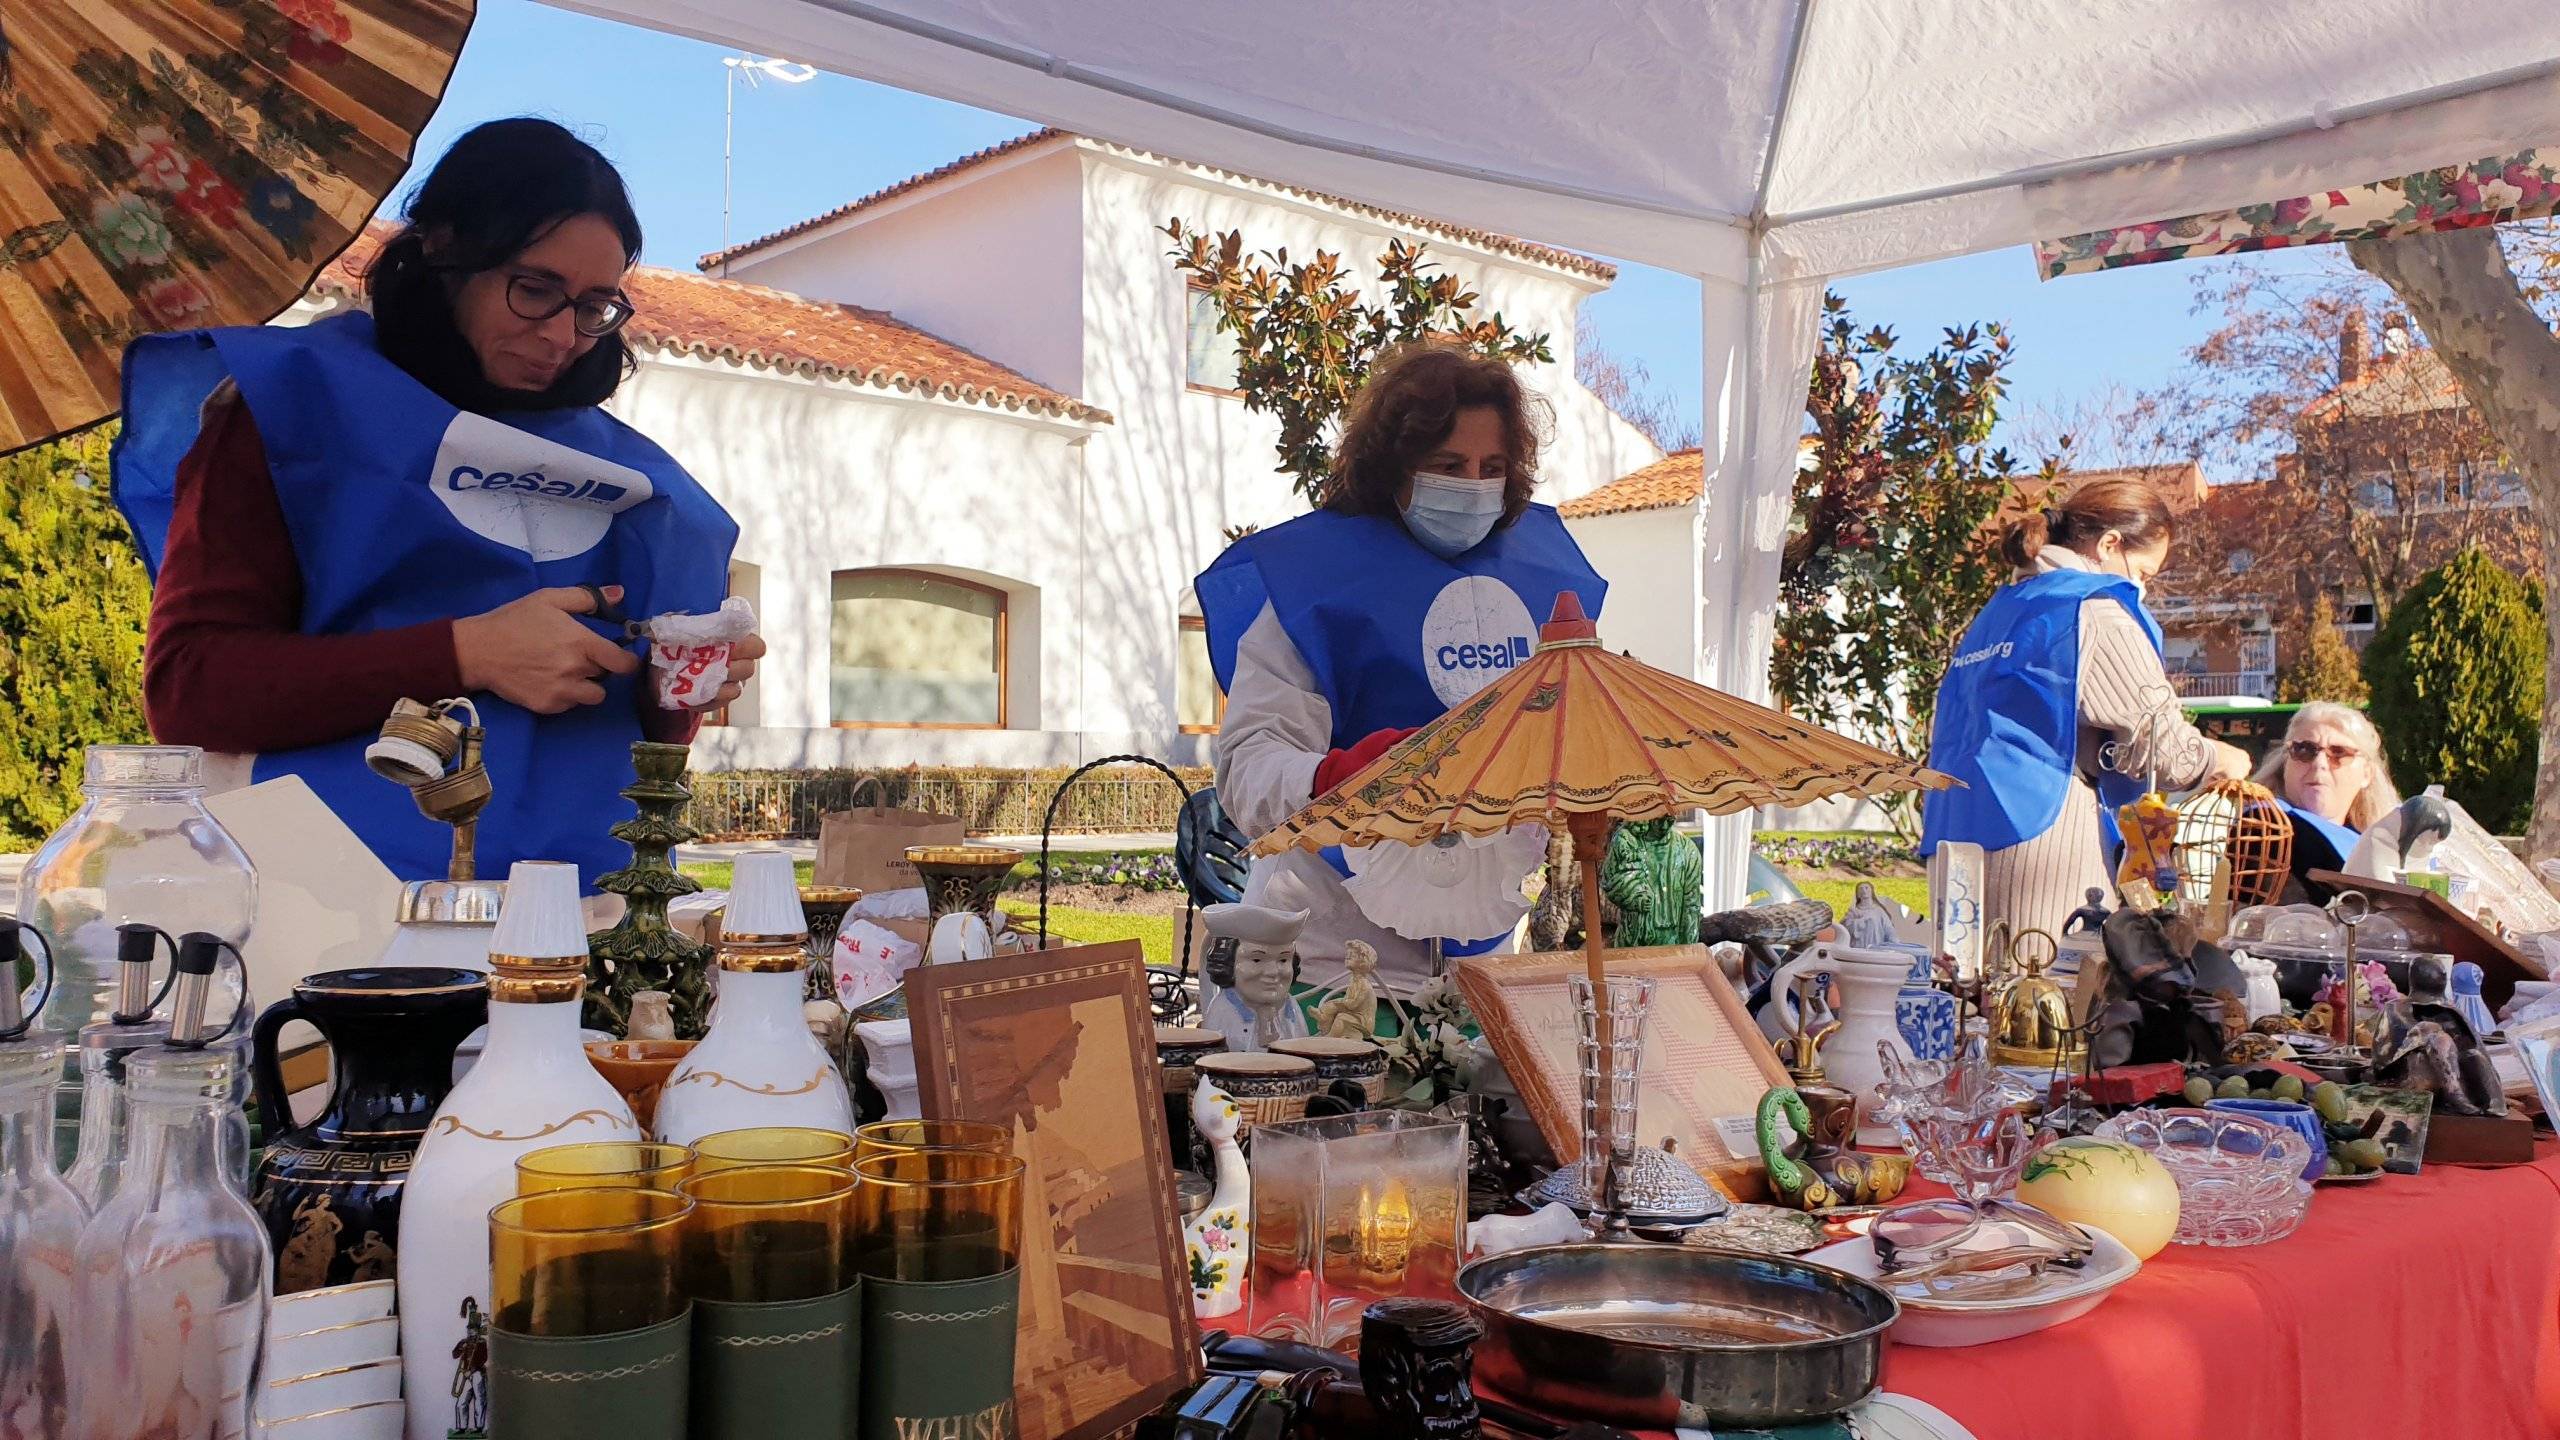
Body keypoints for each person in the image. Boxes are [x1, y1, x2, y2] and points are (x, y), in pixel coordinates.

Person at [113, 119, 758, 886]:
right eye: (534, 288)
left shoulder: (627, 473)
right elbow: (191, 689)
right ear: (444, 252)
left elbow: (644, 731)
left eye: (595, 306)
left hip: (582, 909)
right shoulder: (294, 411)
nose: (562, 335)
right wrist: (467, 653)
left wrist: (675, 689)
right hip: (334, 920)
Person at [1197, 343, 1607, 991]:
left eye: (1491, 467)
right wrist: (1339, 775)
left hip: (1484, 943)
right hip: (1328, 942)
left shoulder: (1538, 589)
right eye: (1449, 464)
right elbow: (1247, 772)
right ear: (1396, 466)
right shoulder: (1319, 583)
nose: (1473, 485)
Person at [1919, 478, 2250, 939]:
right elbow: (2162, 747)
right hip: (2042, 837)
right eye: (2146, 573)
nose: (2142, 588)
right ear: (2110, 544)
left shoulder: (1999, 611)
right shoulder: (2094, 607)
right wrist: (2222, 759)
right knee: (2046, 994)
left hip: (1952, 827)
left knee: (1964, 996)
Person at [2253, 700, 2400, 886]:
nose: (2319, 763)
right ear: (2285, 764)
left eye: (2339, 752)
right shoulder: (2260, 829)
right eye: (2304, 750)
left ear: (2366, 774)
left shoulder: (2386, 842)